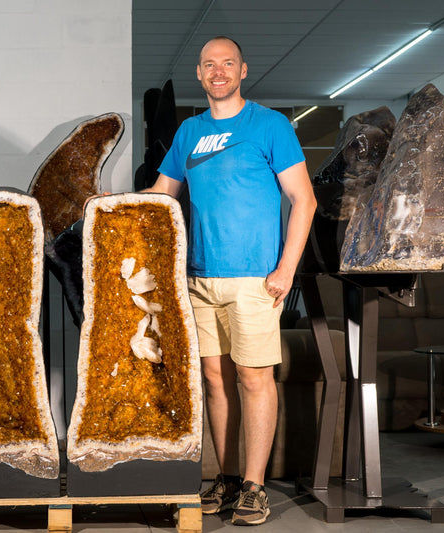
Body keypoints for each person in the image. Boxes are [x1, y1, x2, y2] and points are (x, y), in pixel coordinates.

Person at [146, 36, 316, 526]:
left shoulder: (271, 126)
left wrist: (285, 269)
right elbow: (161, 195)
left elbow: (303, 201)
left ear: (243, 70)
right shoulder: (189, 133)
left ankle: (255, 487)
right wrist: (107, 202)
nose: (217, 71)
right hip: (199, 280)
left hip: (255, 281)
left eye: (227, 63)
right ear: (199, 75)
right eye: (208, 65)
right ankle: (226, 477)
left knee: (253, 379)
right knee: (216, 382)